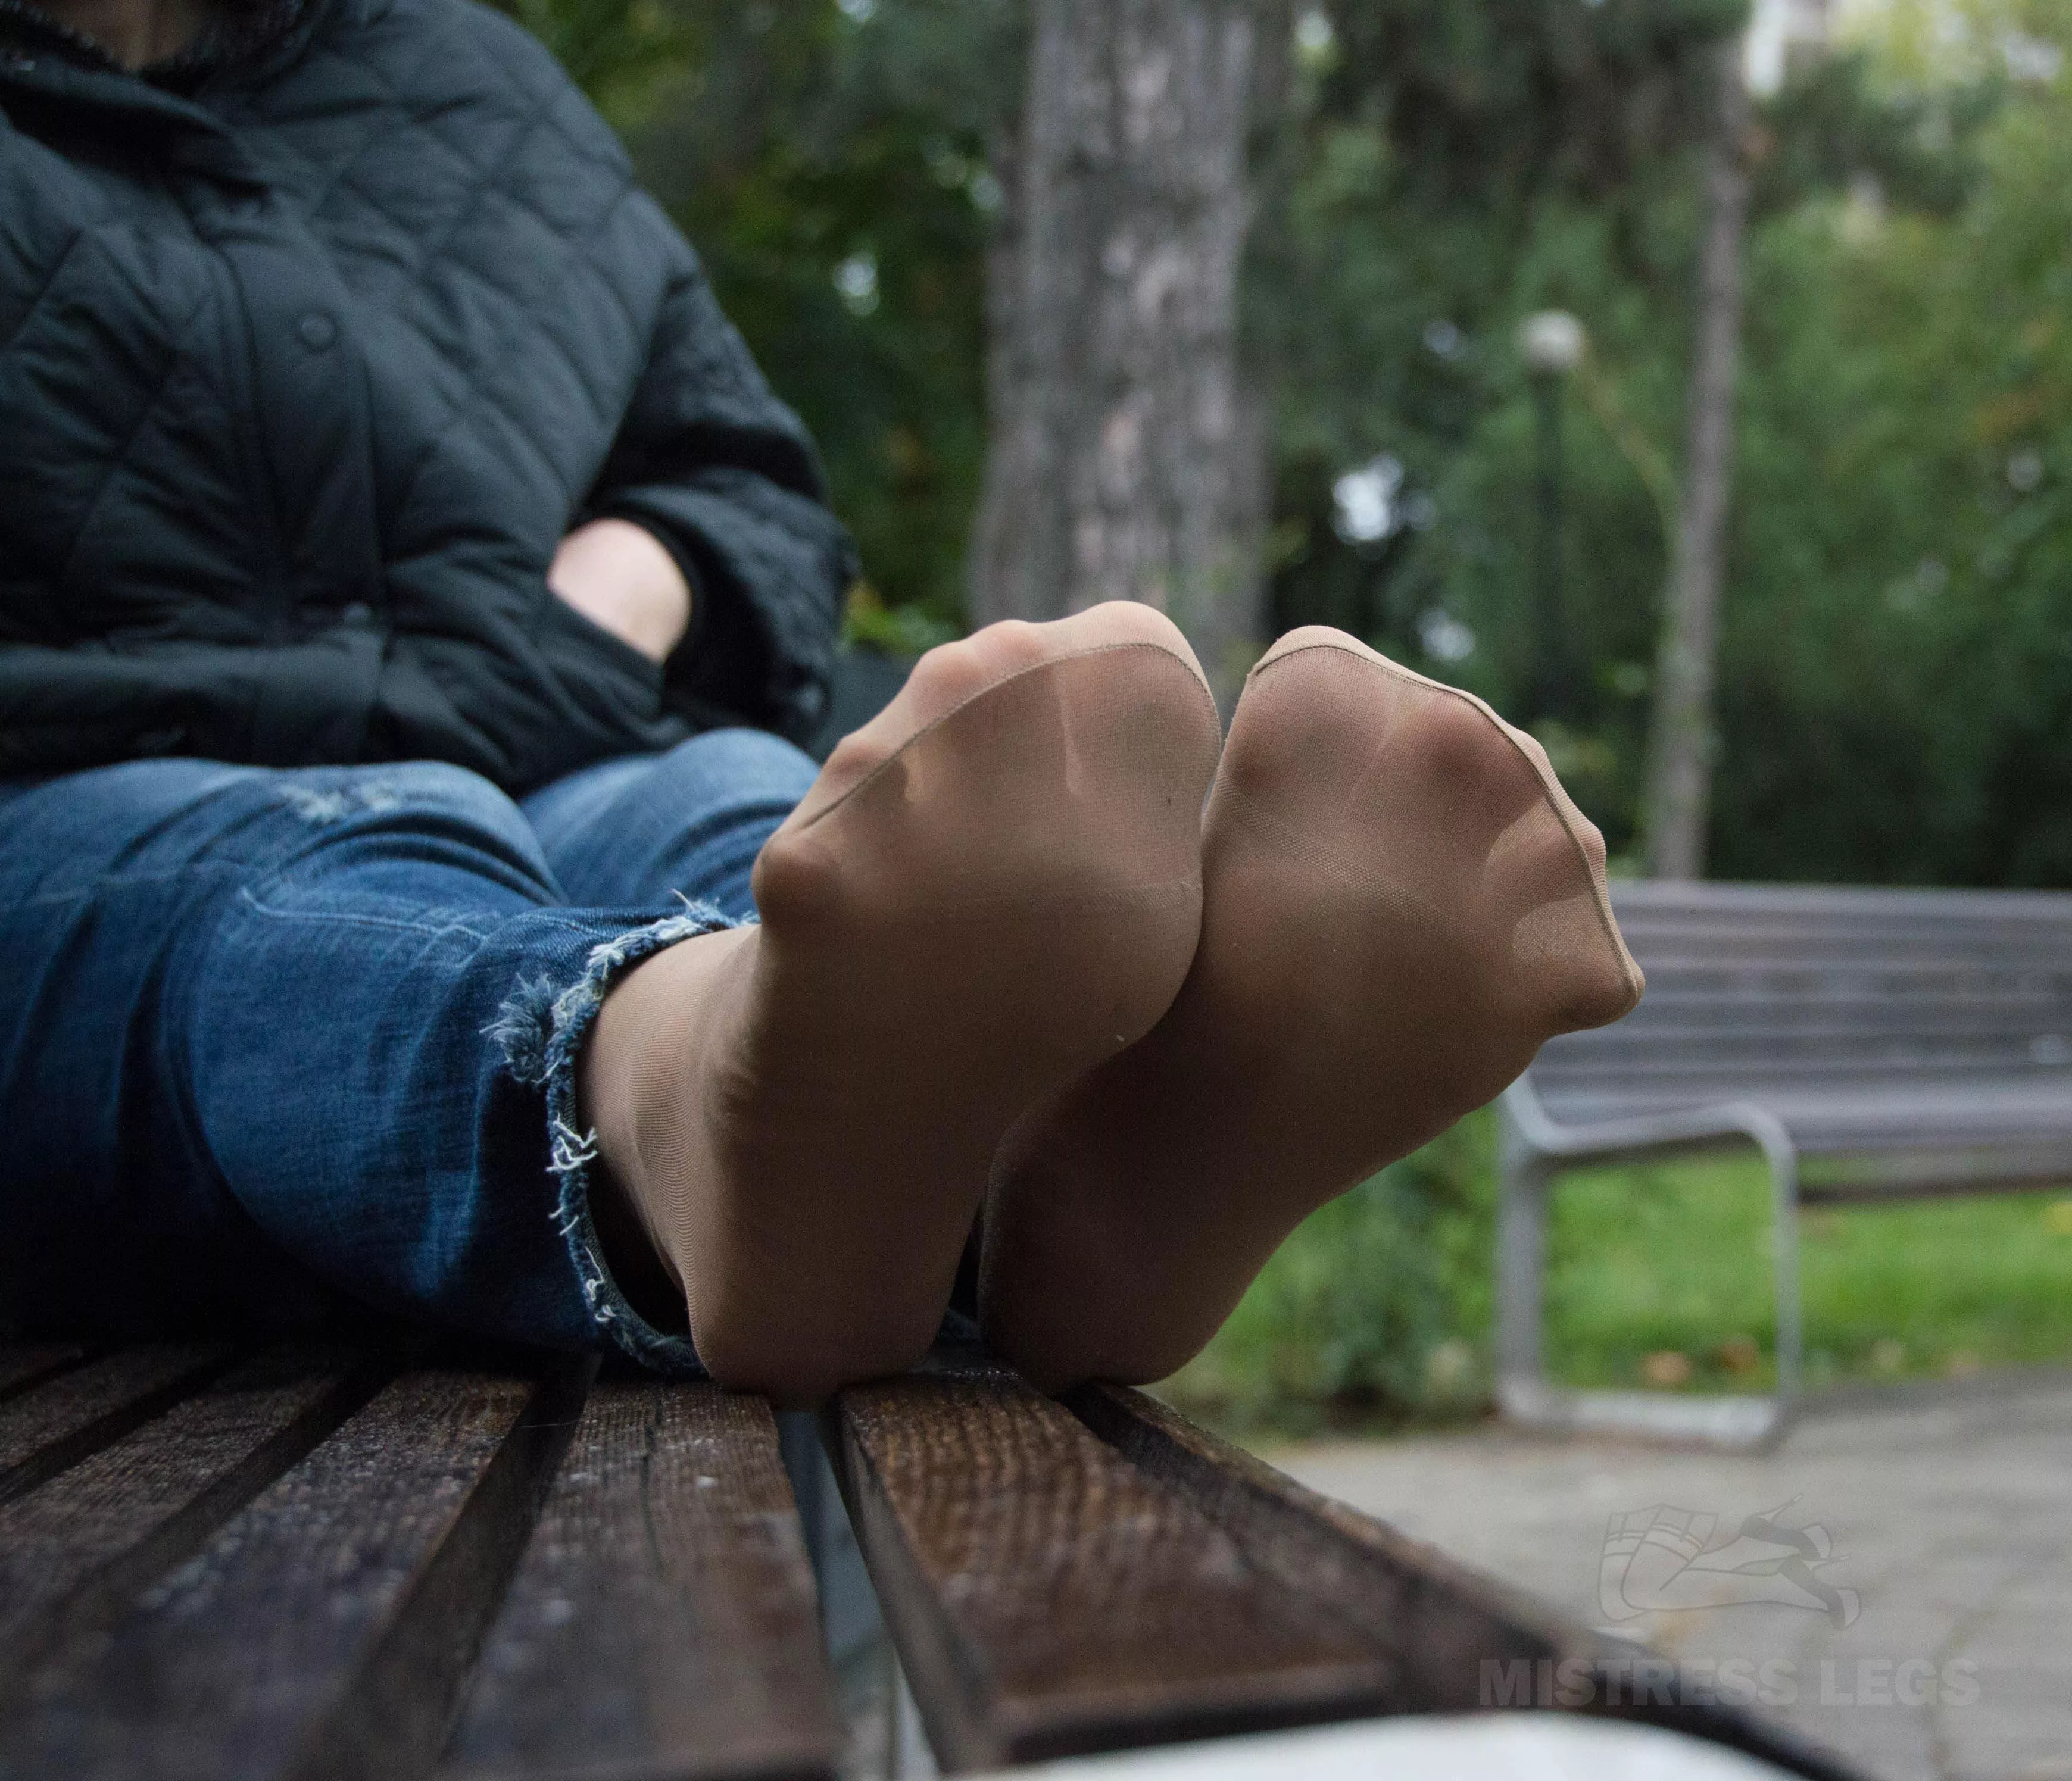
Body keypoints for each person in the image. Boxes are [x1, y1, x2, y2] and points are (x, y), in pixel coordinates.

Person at [0, 0, 1643, 1405]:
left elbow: (749, 482)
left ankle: (1048, 1185)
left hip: (561, 724)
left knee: (739, 804)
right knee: (293, 899)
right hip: (80, 795)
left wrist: (650, 575)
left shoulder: (465, 82)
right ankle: (696, 1115)